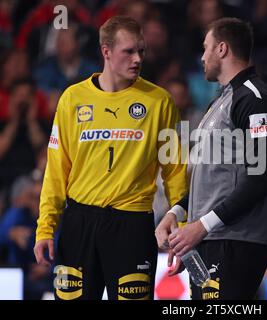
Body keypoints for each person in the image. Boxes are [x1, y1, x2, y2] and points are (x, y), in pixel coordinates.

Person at [33, 15, 187, 300]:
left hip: (132, 226)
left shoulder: (160, 101)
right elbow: (56, 171)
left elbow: (176, 170)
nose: (137, 58)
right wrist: (46, 228)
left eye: (141, 50)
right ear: (106, 51)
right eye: (128, 51)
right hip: (79, 223)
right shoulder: (72, 99)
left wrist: (183, 227)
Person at [155, 17, 267, 300]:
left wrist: (201, 226)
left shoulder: (255, 99)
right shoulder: (220, 102)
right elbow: (212, 179)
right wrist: (176, 213)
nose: (202, 56)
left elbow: (261, 178)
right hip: (212, 239)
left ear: (222, 49)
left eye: (206, 48)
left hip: (236, 240)